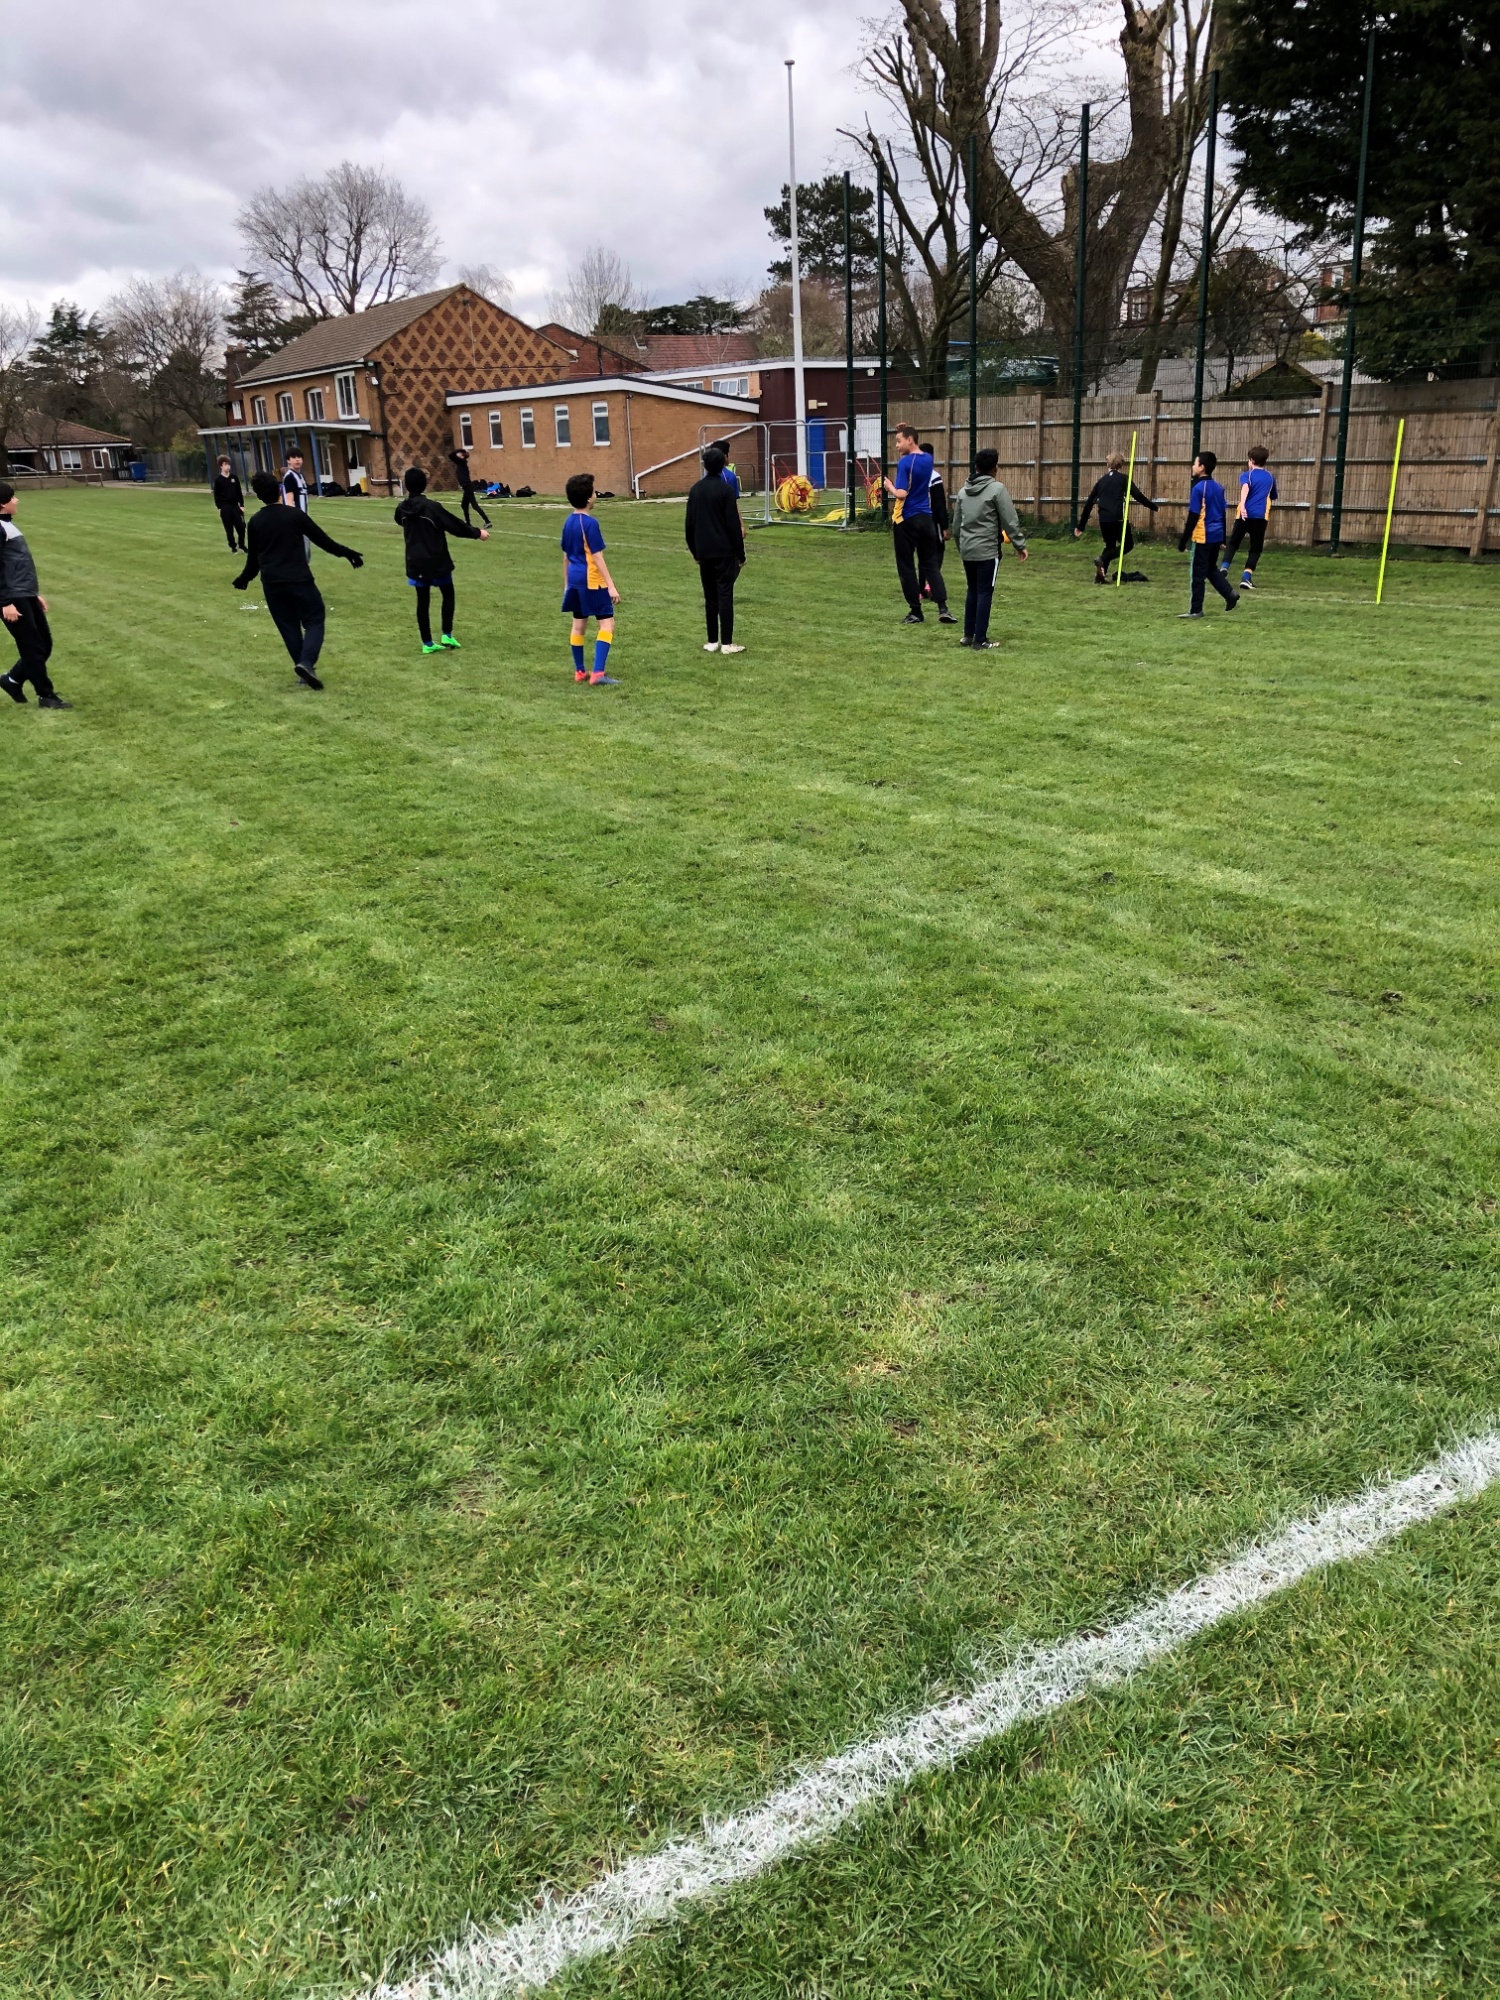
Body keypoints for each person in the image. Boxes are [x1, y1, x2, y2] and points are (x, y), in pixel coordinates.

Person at [233, 469, 363, 688]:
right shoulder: (294, 515)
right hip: (299, 579)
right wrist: (348, 553)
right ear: (279, 490)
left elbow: (254, 559)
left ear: (258, 496)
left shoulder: (255, 522)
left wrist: (244, 578)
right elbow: (324, 541)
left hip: (272, 583)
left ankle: (304, 669)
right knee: (314, 619)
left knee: (288, 626)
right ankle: (306, 663)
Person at [394, 467, 488, 654]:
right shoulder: (431, 508)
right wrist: (477, 532)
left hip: (415, 561)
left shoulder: (402, 509)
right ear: (425, 485)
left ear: (406, 485)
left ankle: (427, 643)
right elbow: (454, 525)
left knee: (423, 601)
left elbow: (399, 520)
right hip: (437, 560)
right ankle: (446, 634)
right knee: (448, 594)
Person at [0, 482, 72, 708]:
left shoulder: (6, 525)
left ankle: (12, 679)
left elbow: (16, 564)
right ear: (2, 503)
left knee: (44, 644)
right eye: (13, 497)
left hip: (24, 593)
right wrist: (5, 602)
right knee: (32, 647)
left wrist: (33, 594)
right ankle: (46, 696)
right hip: (11, 597)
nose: (16, 500)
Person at [951, 448, 1028, 649]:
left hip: (968, 550)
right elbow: (1010, 520)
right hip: (987, 551)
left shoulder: (962, 492)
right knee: (985, 592)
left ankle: (968, 635)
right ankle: (981, 639)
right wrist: (1019, 544)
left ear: (975, 467)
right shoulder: (997, 490)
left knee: (973, 590)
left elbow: (956, 527)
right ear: (995, 468)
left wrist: (962, 548)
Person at [883, 423, 954, 624]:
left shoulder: (905, 463)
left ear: (910, 440)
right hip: (926, 519)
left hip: (906, 519)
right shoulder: (928, 459)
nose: (896, 446)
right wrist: (909, 428)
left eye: (898, 441)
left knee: (906, 566)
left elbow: (902, 493)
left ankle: (916, 611)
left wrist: (889, 487)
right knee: (930, 565)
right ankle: (943, 608)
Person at [560, 472, 620, 685]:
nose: (596, 495)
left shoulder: (568, 522)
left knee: (578, 624)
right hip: (592, 580)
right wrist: (611, 586)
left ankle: (579, 671)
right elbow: (597, 557)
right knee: (607, 624)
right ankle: (598, 674)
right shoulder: (590, 524)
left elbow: (566, 557)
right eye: (594, 492)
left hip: (576, 580)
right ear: (588, 498)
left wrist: (567, 584)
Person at [685, 446, 746, 654]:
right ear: (724, 465)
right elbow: (733, 526)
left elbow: (689, 525)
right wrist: (741, 554)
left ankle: (712, 641)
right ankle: (727, 643)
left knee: (710, 597)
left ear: (704, 465)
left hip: (705, 552)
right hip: (725, 552)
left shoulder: (695, 490)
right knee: (725, 595)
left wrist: (695, 552)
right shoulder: (726, 491)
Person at [1074, 451, 1157, 582]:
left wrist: (1081, 526)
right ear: (1120, 465)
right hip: (1118, 519)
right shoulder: (1124, 479)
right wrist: (1152, 506)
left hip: (1104, 519)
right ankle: (1103, 559)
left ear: (1108, 464)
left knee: (1110, 545)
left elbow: (1089, 502)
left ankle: (1099, 577)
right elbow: (1138, 496)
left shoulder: (1101, 481)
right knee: (1128, 545)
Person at [1177, 451, 1239, 617]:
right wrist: (1222, 538)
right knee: (1210, 569)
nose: (1193, 466)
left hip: (1203, 537)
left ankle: (1196, 610)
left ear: (1202, 467)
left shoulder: (1199, 489)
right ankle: (1230, 594)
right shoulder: (1218, 488)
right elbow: (1222, 514)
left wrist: (1183, 540)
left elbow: (1193, 516)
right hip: (1216, 535)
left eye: (1195, 463)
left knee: (1197, 574)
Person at [1221, 445, 1278, 590]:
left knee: (1233, 543)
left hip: (1243, 516)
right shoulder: (1270, 478)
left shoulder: (1247, 475)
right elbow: (1273, 496)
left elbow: (1245, 487)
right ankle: (1246, 577)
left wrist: (1244, 505)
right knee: (1255, 548)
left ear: (1251, 460)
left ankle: (1224, 567)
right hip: (1260, 517)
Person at [919, 440, 951, 602]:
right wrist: (945, 527)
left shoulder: (913, 474)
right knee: (937, 552)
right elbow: (939, 504)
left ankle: (920, 588)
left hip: (916, 521)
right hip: (932, 522)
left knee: (923, 554)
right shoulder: (934, 477)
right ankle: (930, 585)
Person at [447, 445, 492, 528]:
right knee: (464, 505)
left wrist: (460, 450)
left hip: (467, 487)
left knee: (474, 505)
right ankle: (468, 523)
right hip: (466, 487)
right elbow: (452, 456)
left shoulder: (462, 462)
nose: (457, 455)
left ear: (462, 456)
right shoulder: (461, 463)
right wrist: (461, 451)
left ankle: (487, 521)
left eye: (459, 454)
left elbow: (451, 455)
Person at [212, 457, 247, 552]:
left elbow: (239, 492)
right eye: (225, 465)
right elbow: (216, 495)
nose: (227, 467)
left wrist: (242, 505)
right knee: (229, 529)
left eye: (228, 464)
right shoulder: (218, 480)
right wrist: (219, 508)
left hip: (235, 506)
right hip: (225, 507)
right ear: (221, 466)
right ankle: (233, 546)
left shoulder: (234, 478)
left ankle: (242, 545)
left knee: (241, 527)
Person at [280, 449, 309, 514]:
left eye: (299, 457)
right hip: (295, 516)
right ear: (288, 460)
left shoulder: (301, 476)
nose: (297, 459)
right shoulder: (290, 477)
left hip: (303, 515)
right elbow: (289, 501)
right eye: (293, 457)